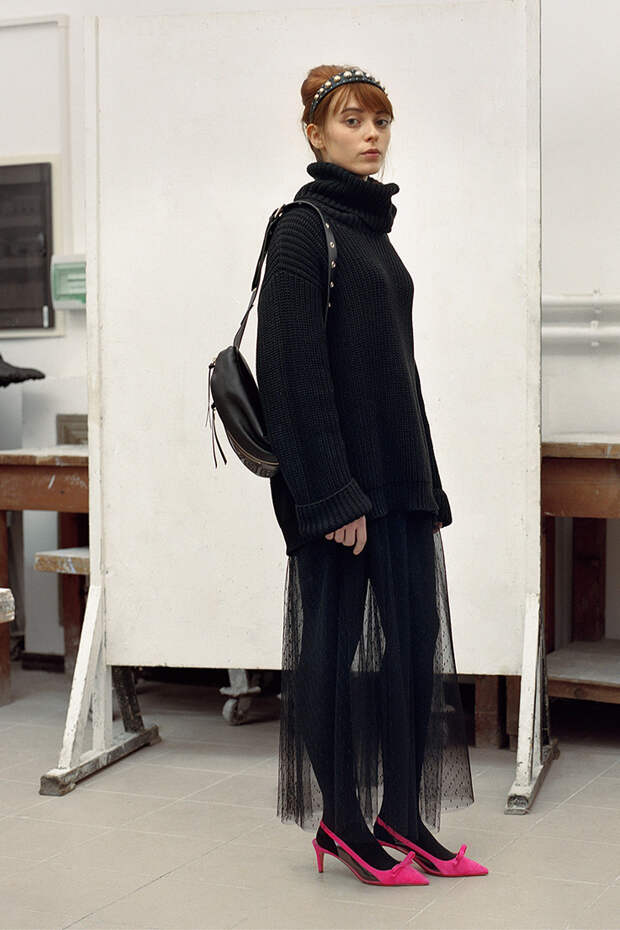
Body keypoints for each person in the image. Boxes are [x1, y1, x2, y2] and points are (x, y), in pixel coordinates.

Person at [255, 64, 487, 886]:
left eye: (380, 120)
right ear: (314, 134)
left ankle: (403, 815)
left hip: (400, 483)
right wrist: (330, 495)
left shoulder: (372, 232)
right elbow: (290, 373)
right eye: (352, 120)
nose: (371, 134)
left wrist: (424, 484)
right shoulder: (302, 228)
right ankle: (343, 822)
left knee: (413, 648)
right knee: (332, 648)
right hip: (343, 492)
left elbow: (393, 374)